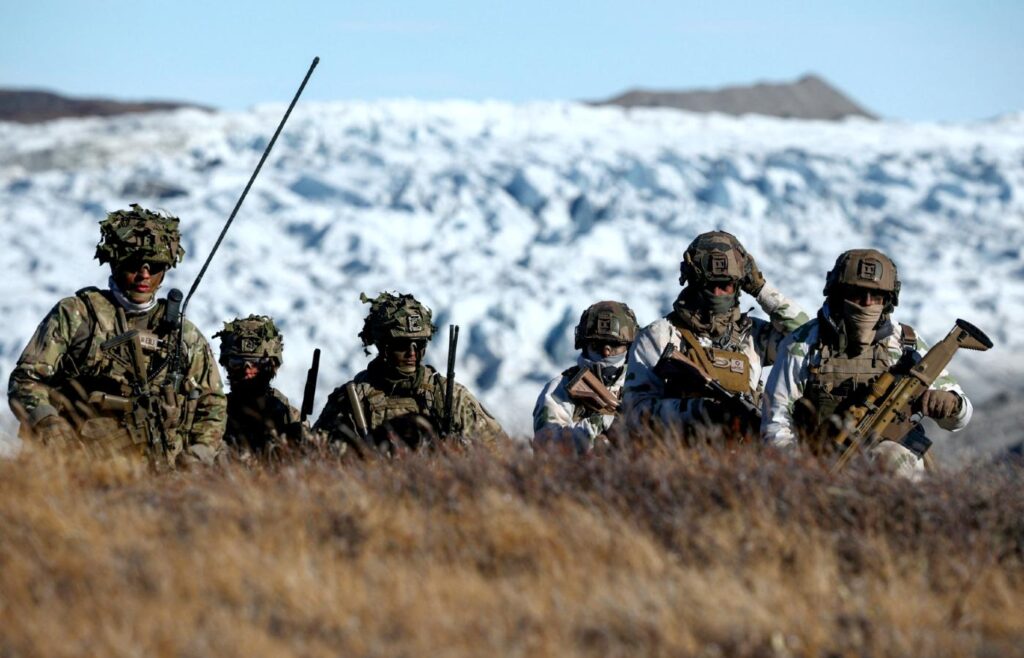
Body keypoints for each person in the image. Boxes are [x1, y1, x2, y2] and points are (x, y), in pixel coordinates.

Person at [8, 204, 226, 466]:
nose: (144, 274)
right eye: (134, 263)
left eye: (154, 266)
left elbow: (212, 403)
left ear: (165, 270)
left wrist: (198, 453)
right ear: (115, 261)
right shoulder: (78, 314)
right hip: (74, 466)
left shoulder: (183, 335)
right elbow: (26, 380)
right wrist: (51, 427)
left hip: (161, 473)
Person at [761, 248, 973, 476]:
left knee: (895, 459)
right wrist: (801, 472)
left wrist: (952, 404)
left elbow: (960, 418)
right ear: (837, 294)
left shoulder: (904, 343)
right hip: (822, 464)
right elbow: (776, 421)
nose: (867, 303)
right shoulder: (803, 344)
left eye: (876, 296)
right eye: (857, 295)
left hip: (892, 464)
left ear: (888, 301)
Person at [623, 231, 808, 437]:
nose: (718, 293)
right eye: (710, 285)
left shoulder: (754, 335)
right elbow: (634, 413)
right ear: (693, 282)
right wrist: (697, 411)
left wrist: (760, 288)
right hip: (680, 457)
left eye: (726, 285)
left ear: (739, 285)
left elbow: (804, 335)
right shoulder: (661, 335)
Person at [315, 292, 504, 451]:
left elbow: (500, 450)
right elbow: (317, 457)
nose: (412, 352)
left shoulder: (449, 396)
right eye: (401, 345)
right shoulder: (352, 399)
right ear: (383, 346)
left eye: (419, 344)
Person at [533, 301, 639, 454]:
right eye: (597, 345)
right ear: (584, 344)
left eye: (615, 345)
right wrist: (599, 423)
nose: (607, 352)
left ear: (629, 347)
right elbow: (546, 447)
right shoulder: (560, 389)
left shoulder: (642, 382)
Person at [214, 314, 308, 460]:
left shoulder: (288, 416)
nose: (247, 371)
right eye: (237, 363)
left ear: (272, 366)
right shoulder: (212, 413)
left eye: (257, 363)